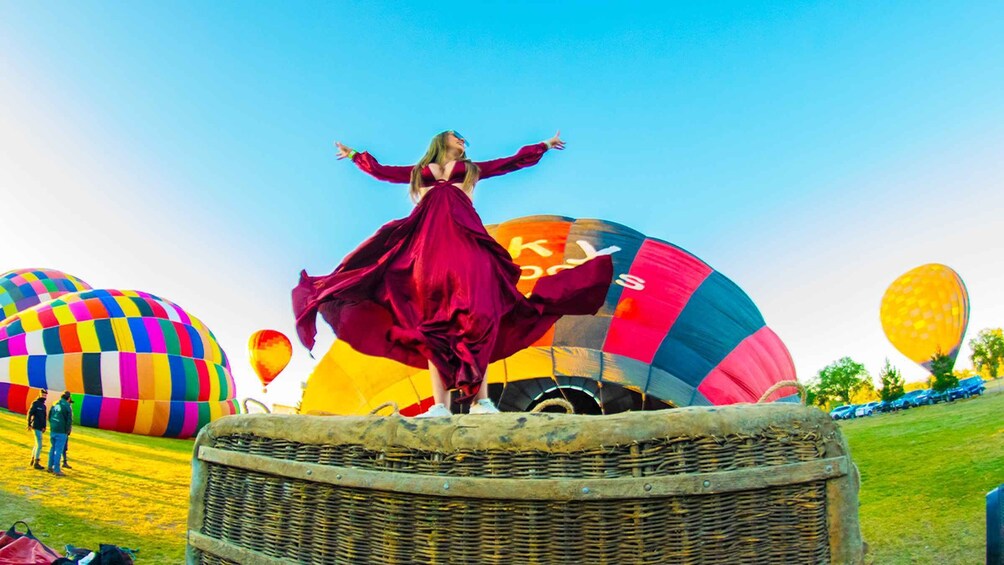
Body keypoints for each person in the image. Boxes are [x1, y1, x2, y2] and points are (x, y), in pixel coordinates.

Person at [293, 130, 613, 417]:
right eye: (456, 136)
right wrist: (354, 156)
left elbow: (509, 163)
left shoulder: (472, 169)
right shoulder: (420, 172)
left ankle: (480, 401)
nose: (462, 139)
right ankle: (439, 406)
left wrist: (543, 145)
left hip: (465, 236)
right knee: (432, 324)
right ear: (440, 141)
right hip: (428, 244)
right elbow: (382, 172)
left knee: (479, 315)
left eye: (464, 139)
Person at [46, 391, 73, 476]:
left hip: (53, 429)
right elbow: (69, 421)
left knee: (52, 448)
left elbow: (50, 416)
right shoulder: (67, 406)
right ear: (68, 398)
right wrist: (67, 430)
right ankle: (57, 469)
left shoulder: (55, 403)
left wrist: (53, 425)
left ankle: (50, 466)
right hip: (61, 431)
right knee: (58, 450)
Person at [26, 389, 47, 470]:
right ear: (40, 394)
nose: (44, 397)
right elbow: (30, 413)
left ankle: (33, 459)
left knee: (36, 444)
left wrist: (44, 426)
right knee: (39, 445)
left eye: (45, 395)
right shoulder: (35, 403)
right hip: (35, 426)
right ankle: (36, 462)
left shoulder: (43, 406)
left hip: (40, 427)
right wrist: (28, 424)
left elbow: (44, 417)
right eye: (43, 395)